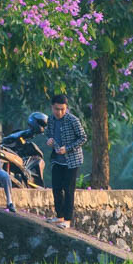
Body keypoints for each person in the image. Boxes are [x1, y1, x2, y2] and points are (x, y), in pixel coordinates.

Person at [44, 93, 87, 227]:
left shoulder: (73, 120)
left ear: (66, 108)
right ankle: (59, 216)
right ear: (52, 108)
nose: (60, 112)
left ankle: (67, 220)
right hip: (57, 159)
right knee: (56, 188)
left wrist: (67, 148)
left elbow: (83, 138)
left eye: (63, 109)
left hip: (72, 160)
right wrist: (49, 140)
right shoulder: (50, 120)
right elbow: (48, 133)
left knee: (68, 190)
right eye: (57, 109)